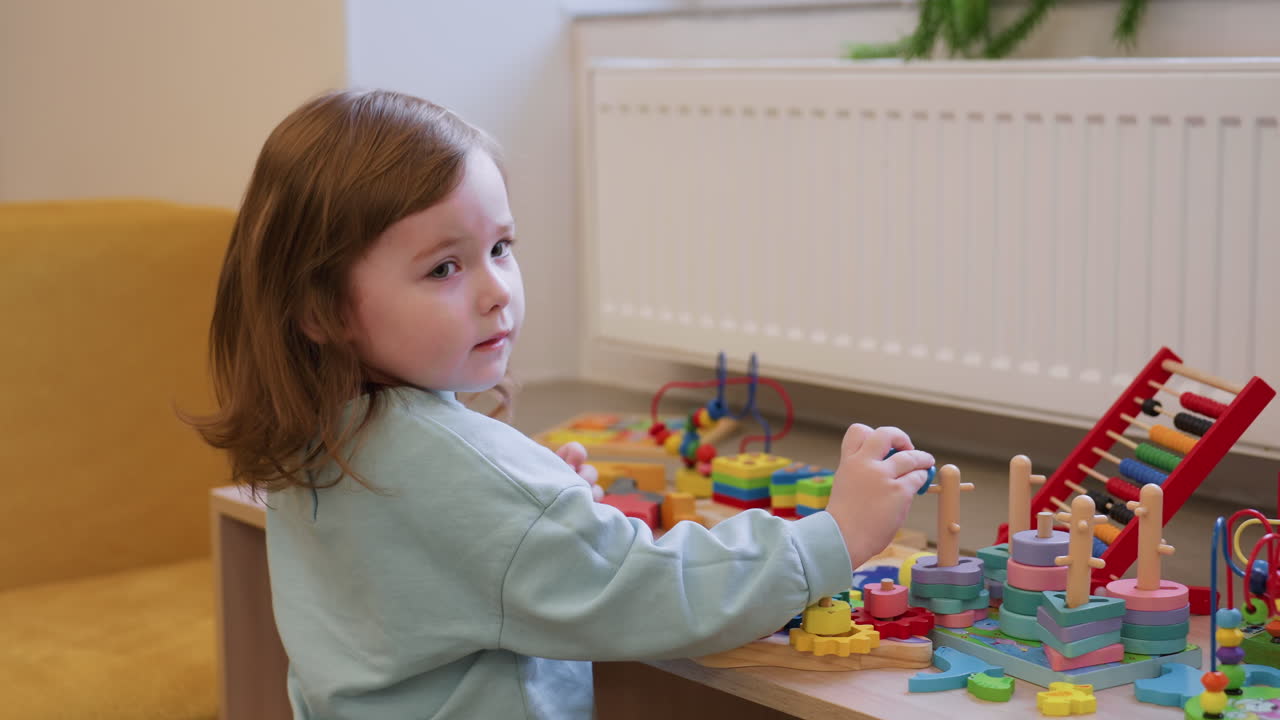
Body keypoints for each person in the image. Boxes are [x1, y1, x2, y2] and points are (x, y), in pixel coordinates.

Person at [187, 88, 934, 719]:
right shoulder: (447, 464)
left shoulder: (316, 434)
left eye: (501, 248)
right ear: (320, 310)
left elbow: (428, 560)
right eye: (444, 268)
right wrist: (834, 535)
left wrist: (532, 511)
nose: (496, 290)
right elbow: (649, 589)